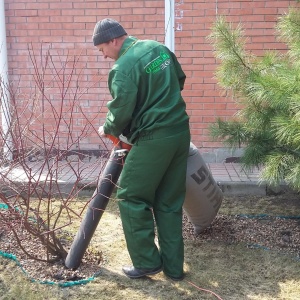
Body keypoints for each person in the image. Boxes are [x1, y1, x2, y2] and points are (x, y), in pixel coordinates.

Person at [93, 18, 190, 281]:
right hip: (180, 132)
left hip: (154, 137)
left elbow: (121, 109)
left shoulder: (122, 67)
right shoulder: (158, 49)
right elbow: (179, 80)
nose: (103, 56)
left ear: (114, 40)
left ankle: (147, 262)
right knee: (169, 202)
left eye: (102, 49)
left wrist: (108, 127)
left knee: (131, 197)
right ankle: (173, 268)